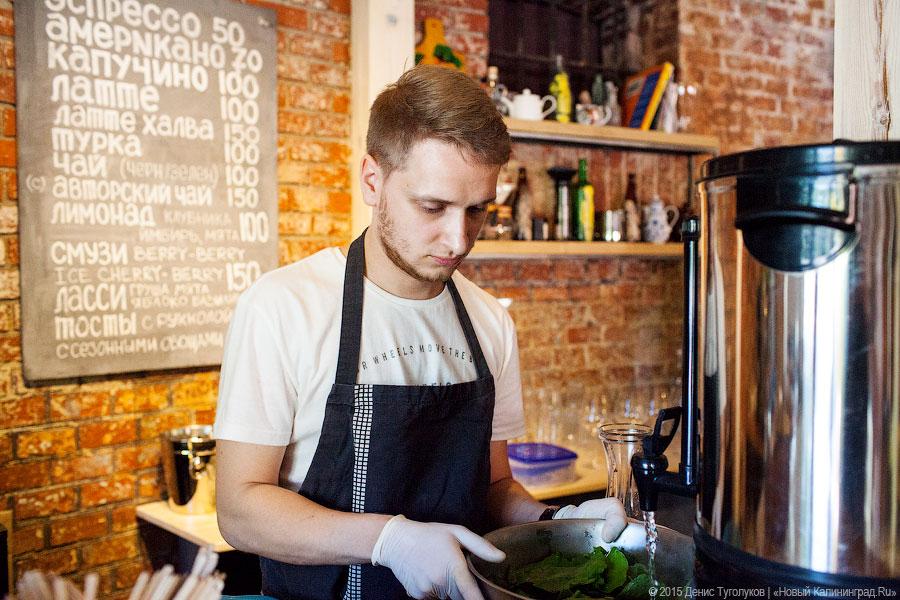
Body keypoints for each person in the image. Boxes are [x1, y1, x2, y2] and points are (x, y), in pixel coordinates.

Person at [213, 65, 627, 600]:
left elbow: (493, 489)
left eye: (477, 210)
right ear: (372, 179)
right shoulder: (284, 308)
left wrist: (560, 521)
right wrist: (390, 541)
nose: (457, 239)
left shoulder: (489, 322)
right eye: (432, 207)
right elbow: (241, 511)